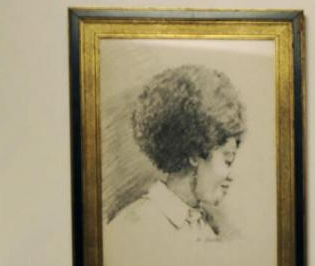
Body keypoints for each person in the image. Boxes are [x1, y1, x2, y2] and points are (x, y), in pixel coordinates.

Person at [105, 64, 245, 264]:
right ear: (195, 154)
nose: (230, 175)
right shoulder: (132, 228)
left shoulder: (207, 227)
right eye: (227, 160)